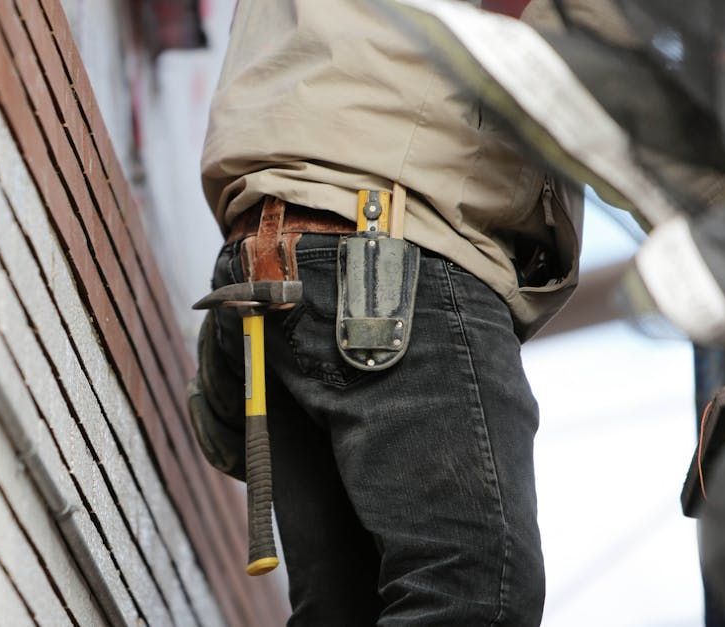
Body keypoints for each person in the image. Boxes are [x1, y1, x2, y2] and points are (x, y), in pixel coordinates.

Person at [192, 0, 584, 623]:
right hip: (389, 252)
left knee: (343, 608)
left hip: (272, 253)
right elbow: (601, 56)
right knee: (477, 590)